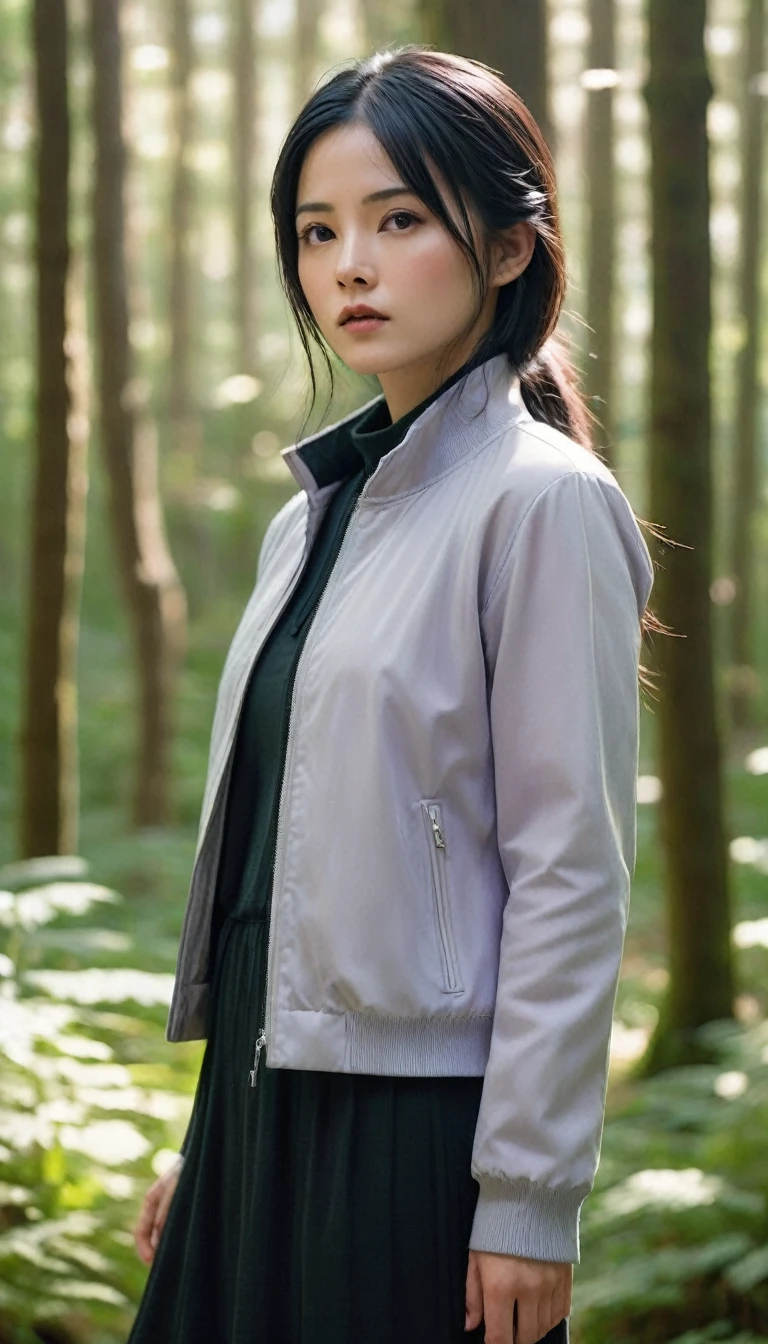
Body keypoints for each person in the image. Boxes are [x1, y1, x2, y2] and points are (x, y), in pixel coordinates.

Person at [127, 45, 655, 1344]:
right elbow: (282, 861)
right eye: (318, 231)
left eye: (398, 218)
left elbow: (570, 872)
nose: (349, 264)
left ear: (512, 245)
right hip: (265, 1100)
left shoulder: (543, 502)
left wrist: (528, 1197)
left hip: (419, 1123)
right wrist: (217, 1135)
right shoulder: (309, 522)